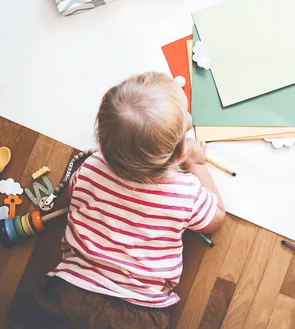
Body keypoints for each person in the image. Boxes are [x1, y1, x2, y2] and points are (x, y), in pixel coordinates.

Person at [17, 72, 225, 329]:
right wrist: (196, 164)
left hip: (68, 293)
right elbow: (217, 216)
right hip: (137, 311)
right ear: (182, 152)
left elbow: (74, 194)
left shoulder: (91, 167)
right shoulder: (184, 192)